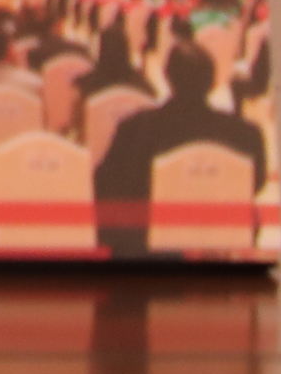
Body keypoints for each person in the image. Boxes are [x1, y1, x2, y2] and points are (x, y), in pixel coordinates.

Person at [94, 37, 271, 258]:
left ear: (167, 77)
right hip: (219, 250)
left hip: (149, 253)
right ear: (213, 81)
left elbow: (105, 184)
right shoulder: (245, 134)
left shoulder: (135, 128)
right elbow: (256, 184)